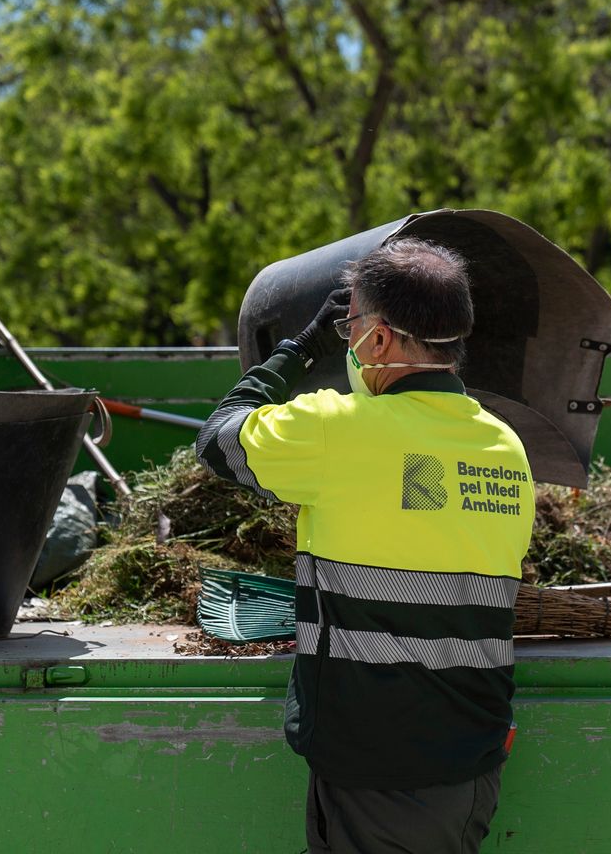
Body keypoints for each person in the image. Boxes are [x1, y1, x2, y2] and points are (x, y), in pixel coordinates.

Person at [195, 238, 535, 854]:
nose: (346, 340)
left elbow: (219, 440)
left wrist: (298, 350)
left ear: (377, 341)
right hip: (463, 762)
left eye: (350, 326)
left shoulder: (337, 429)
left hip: (387, 775)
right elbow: (421, 514)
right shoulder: (505, 448)